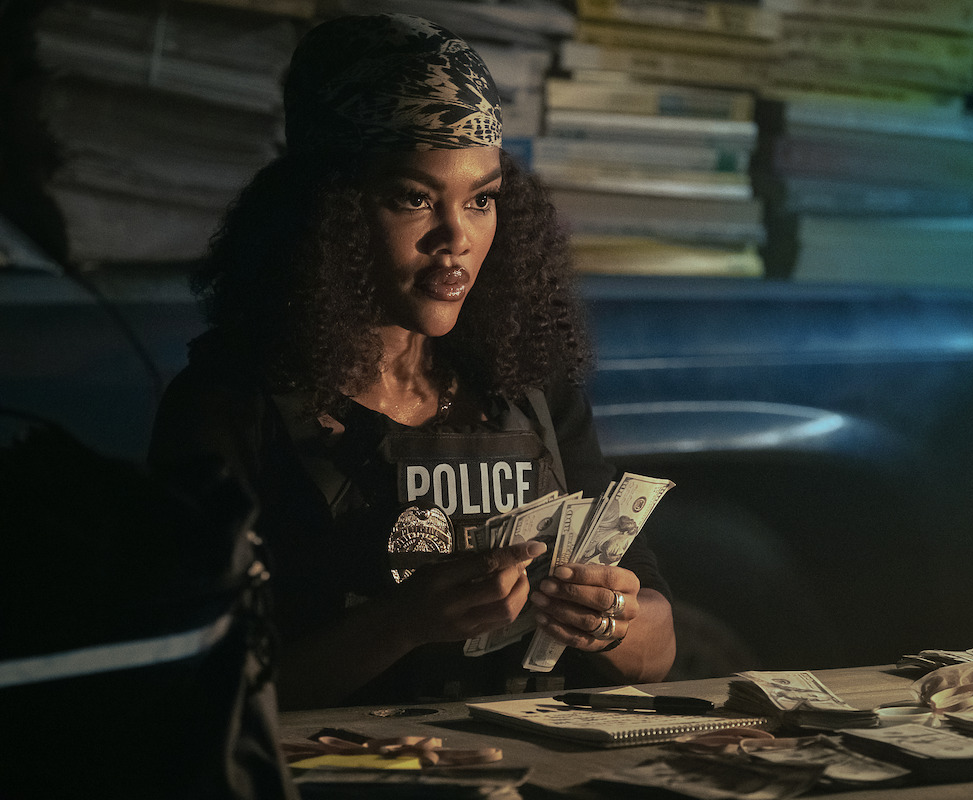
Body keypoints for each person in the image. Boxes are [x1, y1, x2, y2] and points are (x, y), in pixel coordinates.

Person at [148, 13, 675, 710]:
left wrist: (606, 622)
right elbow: (189, 688)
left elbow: (660, 651)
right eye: (414, 197)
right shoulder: (230, 407)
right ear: (328, 212)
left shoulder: (527, 389)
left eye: (482, 200)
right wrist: (398, 627)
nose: (456, 238)